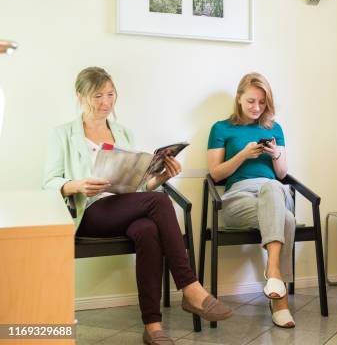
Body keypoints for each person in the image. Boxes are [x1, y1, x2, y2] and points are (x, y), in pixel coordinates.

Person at [43, 67, 232, 345]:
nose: (106, 102)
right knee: (158, 202)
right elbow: (49, 181)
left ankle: (153, 327)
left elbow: (140, 188)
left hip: (125, 206)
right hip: (90, 212)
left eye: (110, 94)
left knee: (147, 230)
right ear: (80, 96)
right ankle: (190, 287)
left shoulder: (123, 133)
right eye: (98, 96)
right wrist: (77, 185)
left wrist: (162, 176)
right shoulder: (63, 134)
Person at [207, 72, 296, 328]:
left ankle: (274, 276)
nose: (257, 108)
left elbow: (281, 175)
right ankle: (279, 297)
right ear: (238, 99)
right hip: (238, 198)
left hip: (273, 192)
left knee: (272, 187)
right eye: (250, 102)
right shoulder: (221, 128)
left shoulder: (275, 129)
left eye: (262, 102)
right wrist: (243, 156)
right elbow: (215, 174)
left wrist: (277, 153)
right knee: (286, 220)